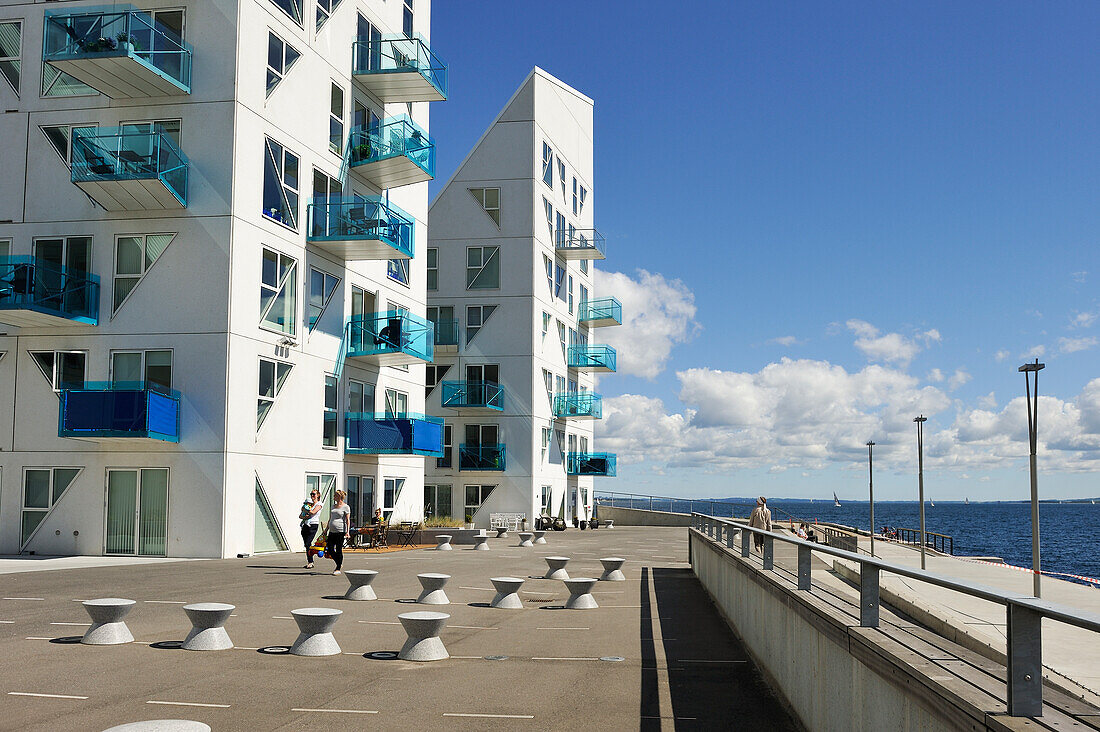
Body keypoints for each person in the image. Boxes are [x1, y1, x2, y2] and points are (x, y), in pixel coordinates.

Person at [327, 490, 351, 575]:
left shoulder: (346, 507)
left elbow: (347, 520)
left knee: (338, 549)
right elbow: (330, 518)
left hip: (340, 531)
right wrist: (326, 529)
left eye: (335, 495)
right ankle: (339, 562)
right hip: (332, 530)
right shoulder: (333, 506)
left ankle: (338, 567)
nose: (333, 497)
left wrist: (347, 532)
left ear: (339, 497)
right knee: (329, 548)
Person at [300, 489, 322, 569]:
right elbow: (300, 516)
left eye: (314, 494)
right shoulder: (309, 504)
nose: (312, 496)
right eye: (311, 494)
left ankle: (310, 562)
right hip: (305, 524)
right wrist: (304, 515)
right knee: (306, 544)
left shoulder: (319, 504)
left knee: (308, 542)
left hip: (313, 525)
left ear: (318, 495)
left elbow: (313, 512)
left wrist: (305, 509)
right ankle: (310, 561)